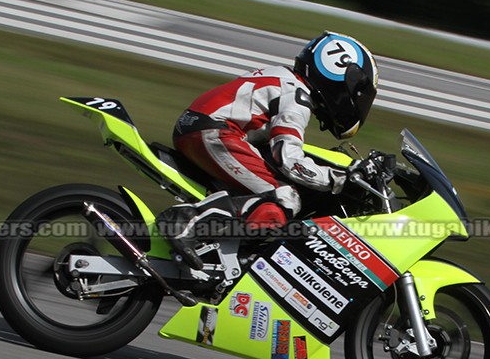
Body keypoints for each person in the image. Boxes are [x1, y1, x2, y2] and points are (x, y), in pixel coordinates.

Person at [158, 31, 380, 269]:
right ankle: (185, 222)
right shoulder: (297, 97)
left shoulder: (284, 78)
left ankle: (222, 250)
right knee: (285, 198)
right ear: (340, 78)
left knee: (267, 192)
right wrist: (338, 178)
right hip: (215, 132)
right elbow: (289, 160)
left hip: (202, 127)